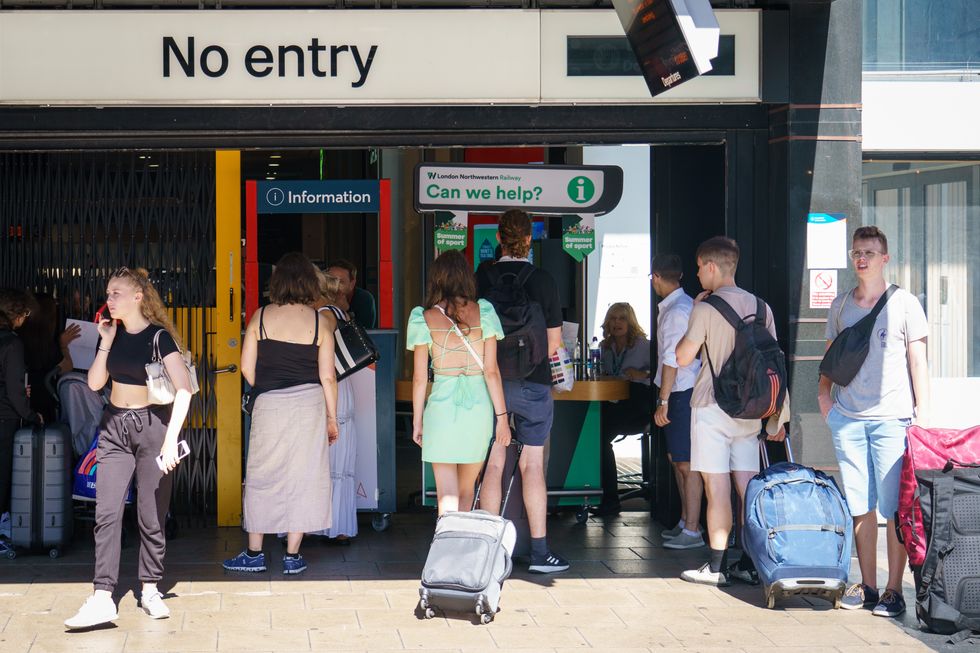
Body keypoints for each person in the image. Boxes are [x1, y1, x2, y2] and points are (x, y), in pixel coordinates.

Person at [65, 267, 193, 629]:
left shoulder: (159, 338)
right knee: (107, 513)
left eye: (116, 293)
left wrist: (170, 441)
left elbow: (184, 389)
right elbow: (94, 383)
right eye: (107, 292)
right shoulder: (114, 334)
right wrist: (104, 341)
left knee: (151, 515)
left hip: (154, 427)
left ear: (138, 296)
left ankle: (150, 588)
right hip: (114, 426)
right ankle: (103, 595)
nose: (109, 299)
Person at [818, 225, 930, 618]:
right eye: (856, 253)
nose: (861, 258)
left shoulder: (905, 304)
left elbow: (918, 361)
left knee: (893, 508)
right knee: (859, 506)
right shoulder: (841, 304)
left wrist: (921, 417)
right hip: (847, 418)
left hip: (891, 420)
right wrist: (823, 401)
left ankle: (894, 591)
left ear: (885, 258)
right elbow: (830, 358)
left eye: (869, 252)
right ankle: (866, 586)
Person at [675, 236, 789, 586]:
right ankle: (756, 562)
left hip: (713, 407)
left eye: (698, 268)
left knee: (717, 486)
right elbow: (774, 363)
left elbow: (682, 357)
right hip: (752, 412)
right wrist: (776, 417)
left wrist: (695, 309)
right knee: (748, 487)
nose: (697, 274)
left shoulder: (705, 308)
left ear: (711, 267)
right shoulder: (762, 307)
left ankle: (715, 566)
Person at [223, 252, 339, 575]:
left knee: (262, 475)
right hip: (309, 405)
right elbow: (328, 377)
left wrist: (271, 384)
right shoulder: (320, 322)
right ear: (308, 283)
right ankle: (292, 555)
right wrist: (332, 418)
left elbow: (246, 370)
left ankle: (254, 554)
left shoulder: (260, 317)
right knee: (305, 475)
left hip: (269, 405)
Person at [476, 209, 569, 574]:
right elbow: (554, 344)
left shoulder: (482, 277)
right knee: (532, 465)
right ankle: (541, 553)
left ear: (499, 238)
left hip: (491, 384)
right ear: (530, 239)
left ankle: (487, 551)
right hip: (535, 383)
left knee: (494, 463)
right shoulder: (544, 280)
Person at [407, 250, 511, 516]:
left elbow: (420, 378)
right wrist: (501, 418)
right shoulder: (484, 311)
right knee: (467, 492)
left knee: (446, 495)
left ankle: (447, 549)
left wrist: (417, 420)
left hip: (441, 409)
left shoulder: (423, 317)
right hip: (477, 409)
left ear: (436, 279)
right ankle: (462, 551)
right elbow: (491, 371)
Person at [650, 255, 705, 550]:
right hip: (682, 392)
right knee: (678, 460)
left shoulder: (675, 312)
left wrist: (664, 400)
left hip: (682, 392)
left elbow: (671, 361)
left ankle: (693, 529)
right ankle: (686, 521)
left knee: (687, 463)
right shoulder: (681, 306)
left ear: (657, 277)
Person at [594, 302, 652, 517]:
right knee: (595, 433)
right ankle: (603, 497)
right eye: (613, 318)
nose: (617, 323)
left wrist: (642, 374)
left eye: (622, 318)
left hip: (639, 401)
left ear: (631, 322)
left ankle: (610, 500)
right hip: (614, 400)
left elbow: (663, 370)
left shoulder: (643, 345)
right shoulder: (604, 348)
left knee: (600, 437)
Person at [313, 270, 357, 543]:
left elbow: (320, 349)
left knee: (329, 457)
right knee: (334, 459)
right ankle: (333, 524)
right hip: (337, 386)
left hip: (330, 388)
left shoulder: (326, 315)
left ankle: (328, 524)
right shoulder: (336, 312)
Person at [0, 289, 42, 550]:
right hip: (4, 418)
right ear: (15, 314)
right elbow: (15, 390)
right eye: (25, 314)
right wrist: (30, 414)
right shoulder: (12, 343)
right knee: (2, 476)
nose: (25, 319)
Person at [18, 292, 80, 423]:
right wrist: (63, 345)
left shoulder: (16, 339)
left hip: (19, 402)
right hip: (45, 401)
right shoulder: (48, 345)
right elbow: (67, 367)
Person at [328, 259, 377, 330]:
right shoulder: (321, 295)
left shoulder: (364, 299)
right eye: (331, 280)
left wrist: (345, 312)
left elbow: (363, 333)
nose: (335, 286)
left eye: (340, 282)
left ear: (352, 284)